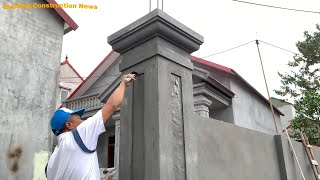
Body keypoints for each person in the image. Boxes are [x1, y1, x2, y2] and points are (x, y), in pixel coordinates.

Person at [46, 73, 136, 180]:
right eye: (78, 119)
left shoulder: (52, 162)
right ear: (69, 125)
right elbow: (112, 104)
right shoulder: (80, 133)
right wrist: (123, 84)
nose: (82, 120)